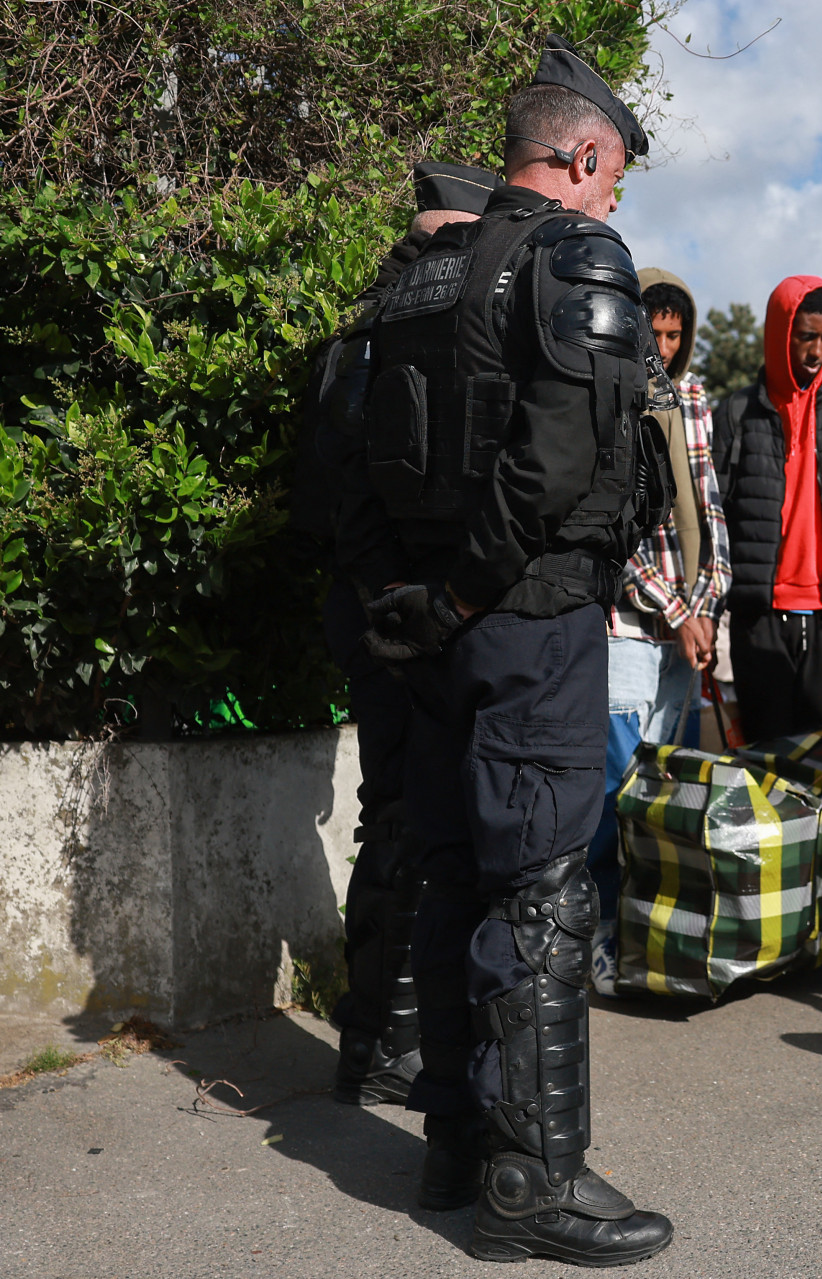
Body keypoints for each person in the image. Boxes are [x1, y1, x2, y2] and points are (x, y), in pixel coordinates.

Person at [335, 34, 675, 1265]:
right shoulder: (577, 252)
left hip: (433, 627)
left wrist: (409, 601)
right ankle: (536, 1185)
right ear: (579, 154)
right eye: (614, 174)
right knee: (537, 893)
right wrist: (470, 596)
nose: (613, 197)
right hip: (523, 624)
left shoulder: (413, 272)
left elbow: (355, 453)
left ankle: (453, 1151)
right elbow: (561, 462)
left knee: (450, 870)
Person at [291, 161, 502, 1108]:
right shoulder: (394, 328)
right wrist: (408, 606)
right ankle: (380, 1043)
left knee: (404, 815)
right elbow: (361, 491)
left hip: (376, 603)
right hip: (394, 611)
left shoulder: (362, 325)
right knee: (408, 821)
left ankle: (381, 1037)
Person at [584, 268, 730, 997]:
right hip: (628, 629)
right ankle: (602, 937)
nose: (664, 349)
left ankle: (661, 939)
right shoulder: (607, 397)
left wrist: (705, 603)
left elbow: (710, 510)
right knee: (617, 790)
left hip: (688, 631)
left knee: (673, 793)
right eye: (654, 332)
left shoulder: (697, 400)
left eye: (675, 335)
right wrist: (678, 611)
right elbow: (615, 532)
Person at [713, 277, 822, 743]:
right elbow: (716, 522)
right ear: (780, 331)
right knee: (763, 763)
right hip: (759, 617)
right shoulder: (734, 415)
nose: (816, 350)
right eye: (805, 335)